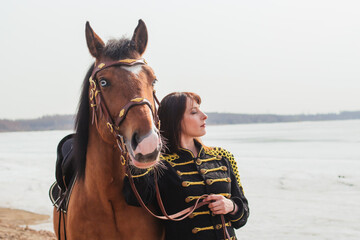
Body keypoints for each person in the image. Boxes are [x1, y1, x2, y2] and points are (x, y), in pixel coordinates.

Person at [123, 92, 249, 240]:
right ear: (175, 120)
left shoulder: (223, 157)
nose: (204, 116)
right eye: (194, 112)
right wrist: (141, 157)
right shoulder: (158, 163)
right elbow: (135, 199)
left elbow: (243, 216)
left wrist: (231, 206)